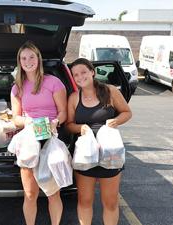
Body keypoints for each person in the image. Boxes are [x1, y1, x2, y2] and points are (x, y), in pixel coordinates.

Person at [66, 58, 132, 225]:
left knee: (110, 202)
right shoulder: (74, 98)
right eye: (76, 75)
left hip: (110, 153)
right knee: (84, 201)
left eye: (83, 72)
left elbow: (126, 112)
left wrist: (116, 121)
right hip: (85, 154)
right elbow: (68, 125)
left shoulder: (109, 91)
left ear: (92, 72)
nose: (80, 77)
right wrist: (80, 128)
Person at [10, 41, 67, 225]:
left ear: (38, 59)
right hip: (29, 141)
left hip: (50, 139)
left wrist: (56, 122)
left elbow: (63, 112)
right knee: (30, 193)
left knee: (53, 193)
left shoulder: (53, 82)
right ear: (19, 61)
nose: (28, 61)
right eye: (24, 58)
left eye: (31, 57)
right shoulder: (17, 87)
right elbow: (15, 119)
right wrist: (27, 121)